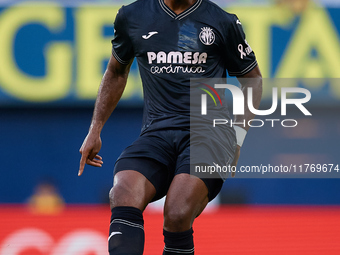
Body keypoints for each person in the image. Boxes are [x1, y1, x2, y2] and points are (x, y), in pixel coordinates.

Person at [78, 0, 262, 254]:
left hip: (209, 136)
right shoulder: (132, 16)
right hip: (156, 134)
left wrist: (238, 138)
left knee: (177, 213)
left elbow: (252, 81)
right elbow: (116, 72)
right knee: (122, 193)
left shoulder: (222, 21)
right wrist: (94, 129)